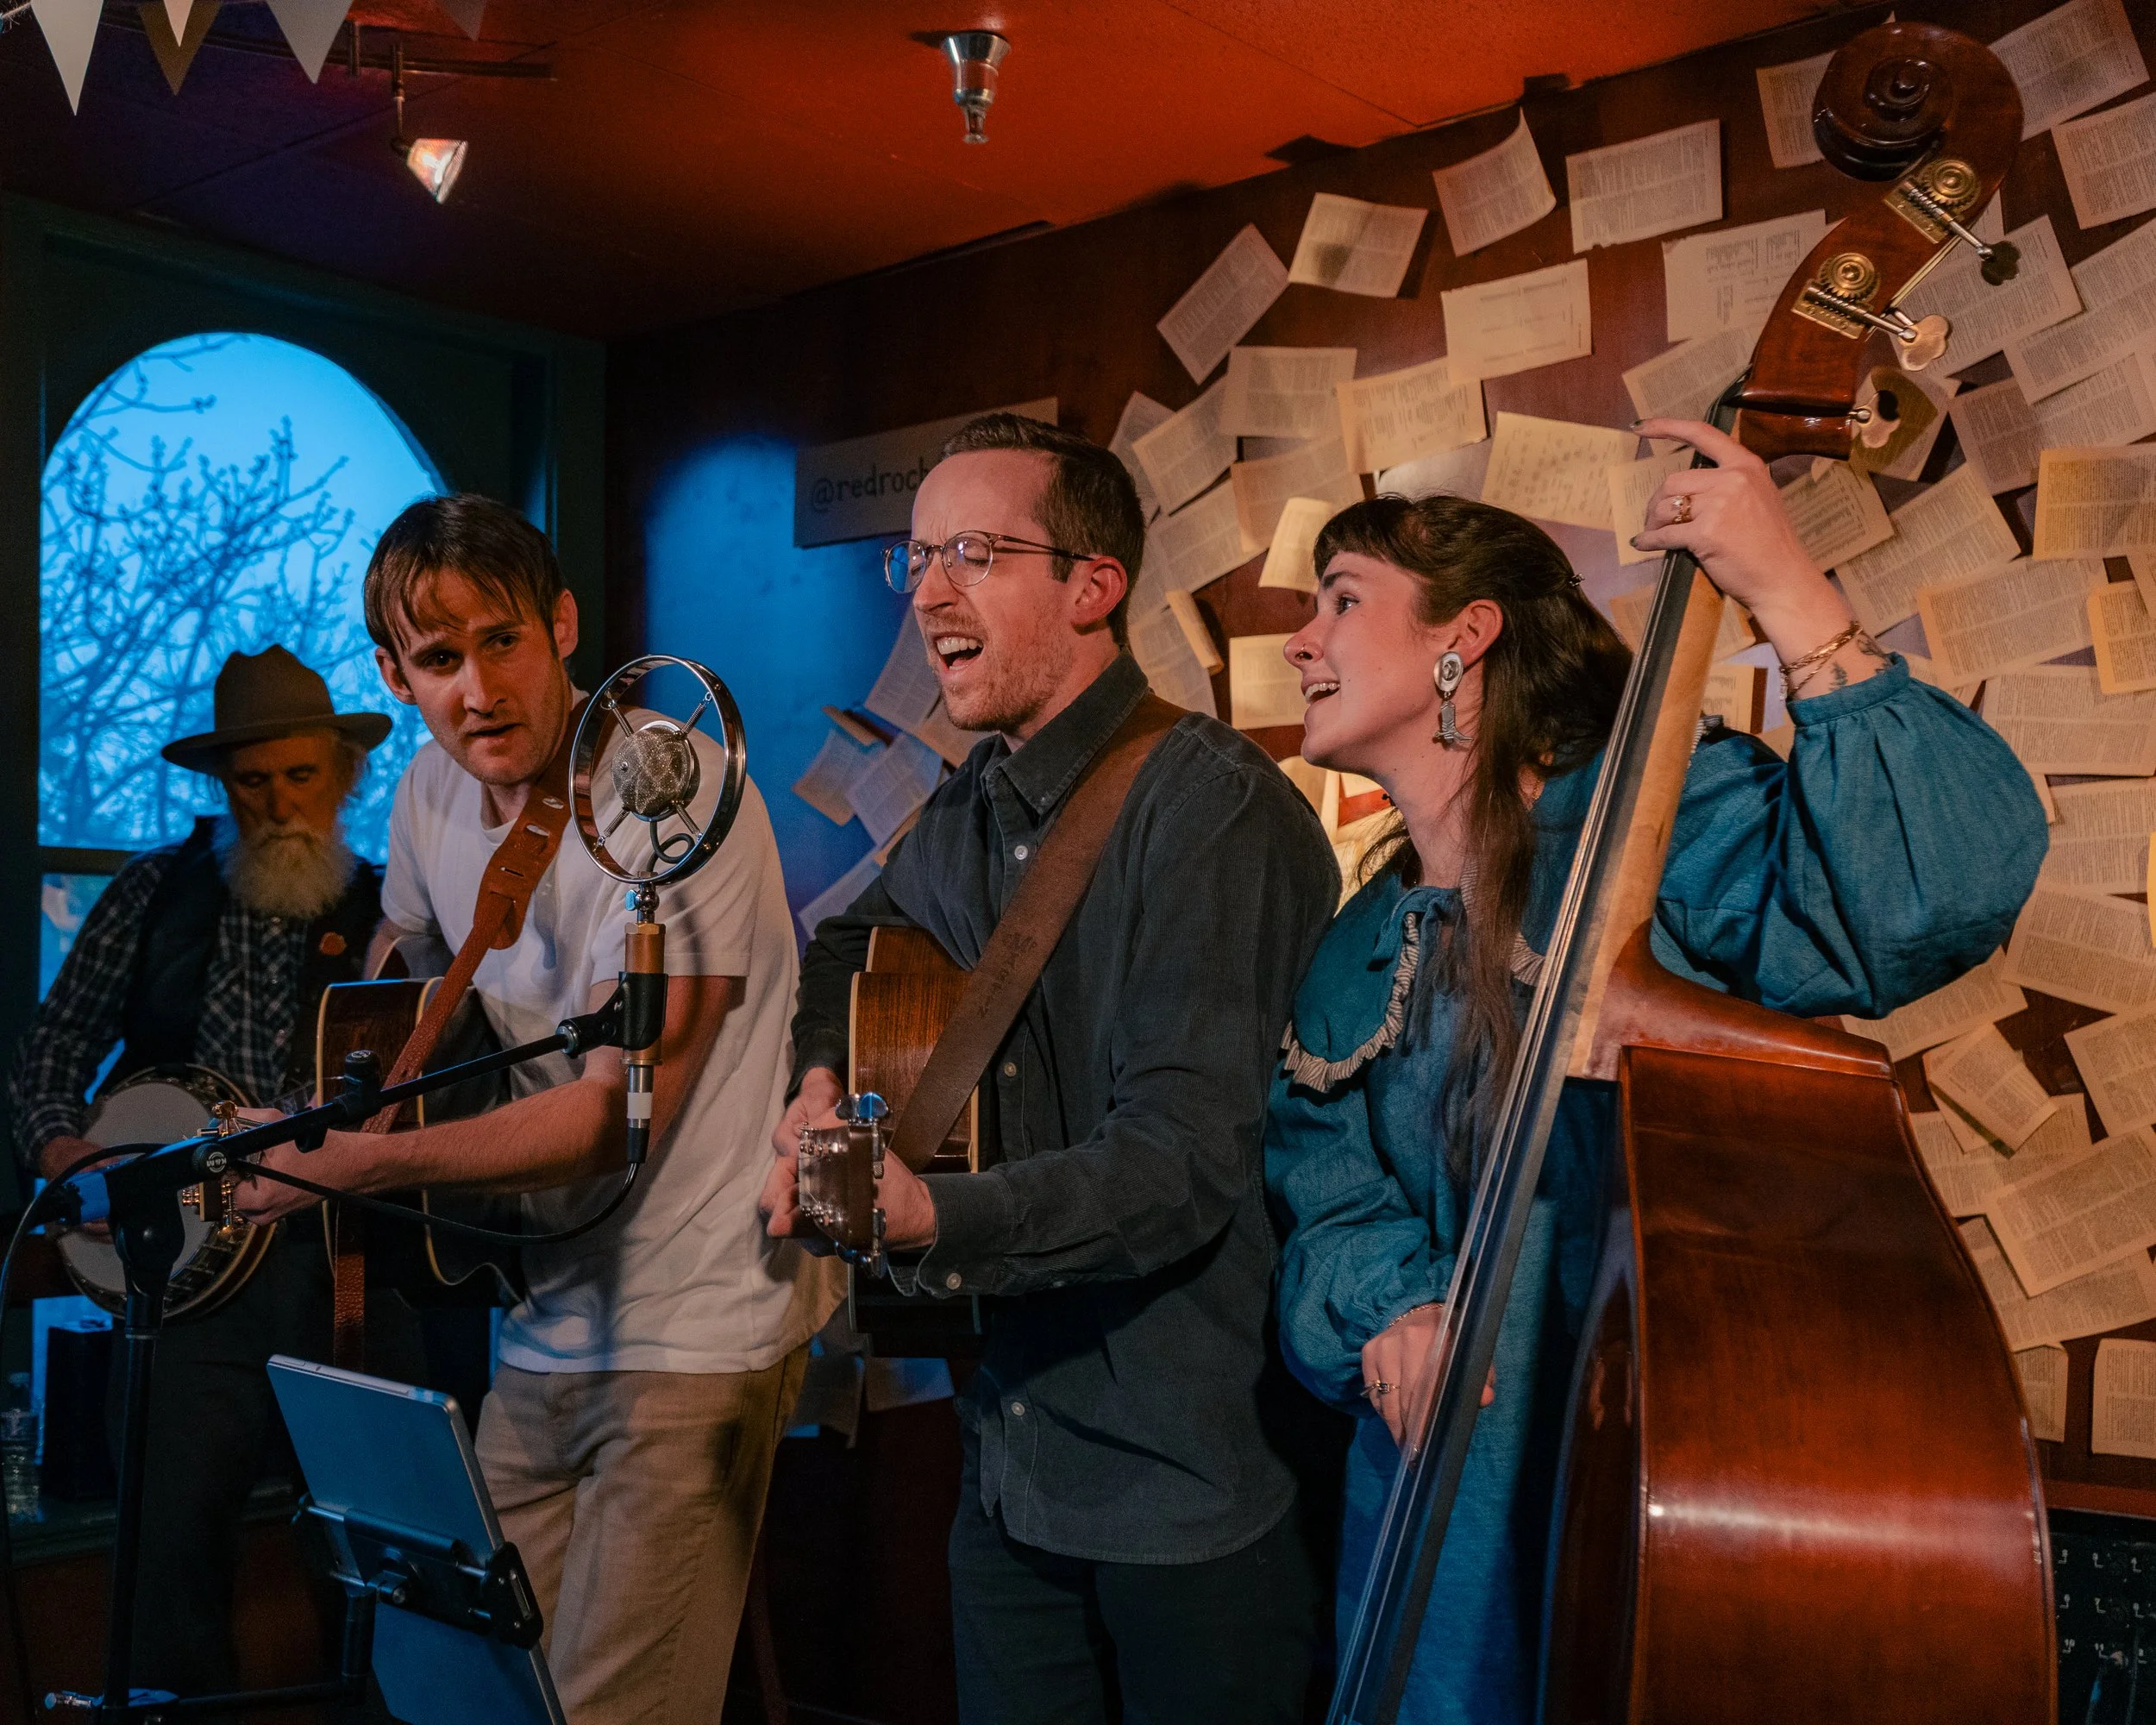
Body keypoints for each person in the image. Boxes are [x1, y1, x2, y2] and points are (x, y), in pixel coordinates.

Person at [1264, 418, 2049, 1724]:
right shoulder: (1364, 936)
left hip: (1664, 1463)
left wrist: (1788, 590)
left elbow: (1921, 897)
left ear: (1466, 637)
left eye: (1341, 600)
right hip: (1438, 1515)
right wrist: (1394, 1305)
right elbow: (1326, 1189)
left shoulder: (1650, 828)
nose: (1302, 640)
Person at [761, 412, 1342, 1725]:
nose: (928, 593)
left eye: (974, 553)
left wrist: (932, 1213)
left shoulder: (1209, 807)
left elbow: (1178, 1167)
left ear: (1093, 587)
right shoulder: (972, 809)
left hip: (1193, 1484)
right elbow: (846, 940)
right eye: (916, 558)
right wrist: (816, 1085)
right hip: (1012, 1464)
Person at [231, 493, 839, 1725]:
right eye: (439, 659)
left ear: (561, 626)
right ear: (395, 676)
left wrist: (346, 1168)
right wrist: (333, 1101)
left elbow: (614, 1117)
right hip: (545, 1319)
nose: (478, 690)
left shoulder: (671, 789)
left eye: (501, 640)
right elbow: (405, 975)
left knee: (616, 1709)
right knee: (465, 1693)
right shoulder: (427, 795)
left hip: (697, 1322)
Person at [9, 645, 394, 1704]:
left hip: (338, 1272)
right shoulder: (151, 890)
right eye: (252, 780)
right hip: (178, 1290)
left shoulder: (391, 913)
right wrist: (69, 1154)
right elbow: (51, 1049)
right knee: (167, 1567)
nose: (279, 802)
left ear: (345, 774)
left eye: (301, 775)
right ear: (222, 782)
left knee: (378, 1562)